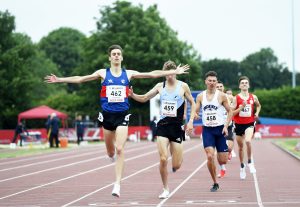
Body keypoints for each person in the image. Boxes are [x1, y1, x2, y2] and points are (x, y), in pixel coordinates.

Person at [44, 45, 189, 198]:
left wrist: (174, 71)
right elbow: (80, 79)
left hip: (122, 116)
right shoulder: (102, 73)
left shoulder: (128, 74)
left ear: (122, 57)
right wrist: (60, 79)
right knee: (111, 151)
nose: (116, 56)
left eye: (119, 54)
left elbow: (152, 74)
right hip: (107, 116)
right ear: (109, 57)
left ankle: (117, 185)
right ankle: (110, 155)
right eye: (113, 54)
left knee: (120, 149)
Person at [129, 60, 195, 199]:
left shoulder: (183, 86)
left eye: (172, 74)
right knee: (163, 158)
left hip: (177, 127)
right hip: (163, 126)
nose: (169, 76)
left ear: (175, 74)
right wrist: (133, 95)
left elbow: (192, 103)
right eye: (167, 74)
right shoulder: (160, 86)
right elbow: (145, 97)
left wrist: (190, 121)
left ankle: (177, 162)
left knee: (176, 164)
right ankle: (165, 188)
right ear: (165, 74)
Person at [195, 71, 232, 192]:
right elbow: (195, 111)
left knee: (223, 160)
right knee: (210, 156)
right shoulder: (200, 96)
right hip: (208, 131)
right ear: (206, 82)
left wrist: (226, 126)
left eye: (214, 81)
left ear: (217, 82)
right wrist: (194, 116)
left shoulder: (221, 96)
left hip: (220, 130)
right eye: (209, 81)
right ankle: (215, 183)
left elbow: (230, 111)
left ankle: (225, 154)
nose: (211, 83)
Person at [232, 76, 261, 179]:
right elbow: (231, 112)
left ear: (248, 85)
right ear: (239, 86)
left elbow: (258, 105)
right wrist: (241, 107)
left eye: (246, 83)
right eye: (242, 83)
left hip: (249, 123)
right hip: (238, 125)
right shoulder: (236, 98)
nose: (244, 84)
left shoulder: (254, 97)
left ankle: (250, 162)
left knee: (248, 141)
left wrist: (257, 113)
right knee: (240, 148)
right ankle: (242, 166)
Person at [215, 82, 235, 178]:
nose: (219, 88)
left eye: (220, 86)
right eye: (217, 86)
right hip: (217, 126)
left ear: (223, 88)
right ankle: (223, 168)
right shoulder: (212, 97)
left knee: (229, 148)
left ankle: (230, 152)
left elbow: (234, 107)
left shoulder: (229, 97)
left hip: (228, 125)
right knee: (219, 151)